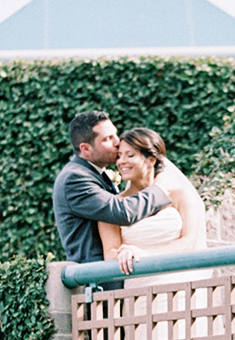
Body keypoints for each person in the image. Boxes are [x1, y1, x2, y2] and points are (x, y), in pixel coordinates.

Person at [52, 110, 172, 268]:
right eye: (108, 139)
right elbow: (122, 212)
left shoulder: (95, 173)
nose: (117, 141)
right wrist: (161, 188)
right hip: (97, 281)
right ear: (85, 148)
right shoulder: (74, 179)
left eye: (115, 134)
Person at [97, 127, 207, 278]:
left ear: (151, 160)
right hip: (139, 288)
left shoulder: (180, 195)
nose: (122, 162)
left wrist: (145, 254)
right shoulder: (112, 205)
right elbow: (110, 253)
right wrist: (123, 254)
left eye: (130, 155)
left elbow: (189, 241)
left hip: (182, 284)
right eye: (119, 156)